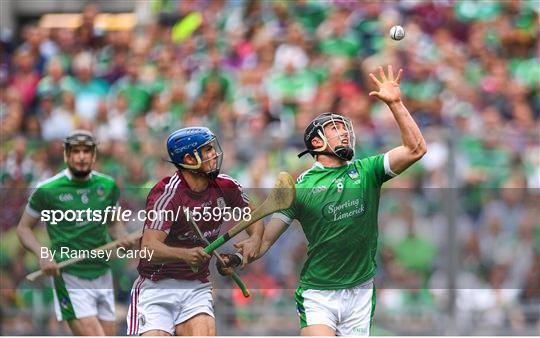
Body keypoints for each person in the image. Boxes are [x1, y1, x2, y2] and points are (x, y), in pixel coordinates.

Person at [252, 65, 427, 336]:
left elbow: (416, 149)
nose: (345, 132)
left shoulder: (368, 170)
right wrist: (240, 256)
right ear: (317, 143)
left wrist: (396, 103)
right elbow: (264, 241)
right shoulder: (300, 187)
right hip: (319, 293)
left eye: (344, 128)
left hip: (360, 291)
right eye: (334, 129)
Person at [126, 127, 263, 336]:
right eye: (206, 150)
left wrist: (254, 241)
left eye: (212, 148)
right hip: (156, 288)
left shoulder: (226, 186)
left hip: (196, 287)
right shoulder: (168, 194)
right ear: (189, 159)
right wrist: (185, 254)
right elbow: (149, 247)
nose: (214, 154)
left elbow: (254, 218)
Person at [16, 129, 133, 335]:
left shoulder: (107, 186)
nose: (81, 156)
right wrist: (44, 255)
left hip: (102, 273)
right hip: (69, 275)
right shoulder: (47, 190)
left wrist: (121, 236)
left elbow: (113, 223)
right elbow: (24, 229)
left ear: (94, 155)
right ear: (66, 155)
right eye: (76, 151)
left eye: (86, 151)